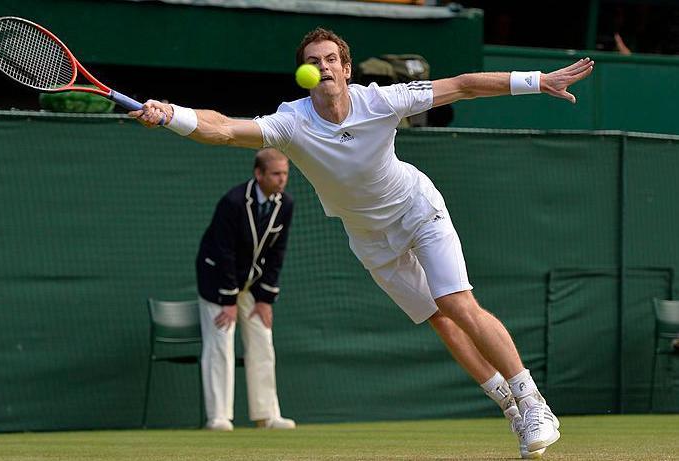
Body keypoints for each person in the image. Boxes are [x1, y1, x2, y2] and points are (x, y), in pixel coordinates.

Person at [133, 28, 593, 457]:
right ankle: (510, 408)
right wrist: (173, 115)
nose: (324, 66)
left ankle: (533, 401)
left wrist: (538, 80)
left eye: (332, 59)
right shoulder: (291, 122)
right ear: (305, 72)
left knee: (455, 301)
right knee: (439, 319)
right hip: (370, 239)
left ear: (347, 69)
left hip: (417, 210)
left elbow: (464, 85)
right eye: (315, 61)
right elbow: (226, 129)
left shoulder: (383, 100)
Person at [195, 148, 296, 431]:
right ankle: (219, 417)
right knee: (220, 343)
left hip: (252, 283)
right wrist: (228, 300)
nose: (282, 180)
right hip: (217, 279)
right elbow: (223, 251)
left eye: (285, 174)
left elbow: (278, 253)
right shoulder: (233, 201)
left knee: (263, 340)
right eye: (276, 174)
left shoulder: (285, 204)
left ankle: (267, 415)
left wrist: (265, 299)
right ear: (259, 174)